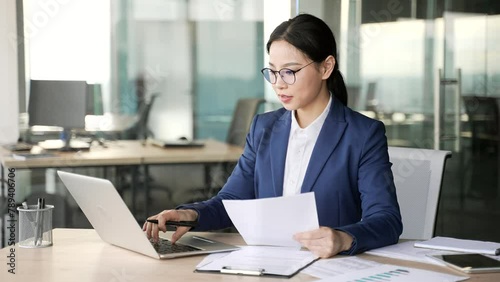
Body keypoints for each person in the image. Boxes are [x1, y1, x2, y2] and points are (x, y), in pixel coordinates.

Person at [144, 13, 402, 258]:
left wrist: (344, 238)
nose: (278, 83)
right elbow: (233, 201)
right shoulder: (263, 128)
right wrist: (192, 214)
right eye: (273, 72)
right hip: (267, 262)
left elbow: (386, 219)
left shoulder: (363, 134)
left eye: (290, 71)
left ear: (326, 67)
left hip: (329, 268)